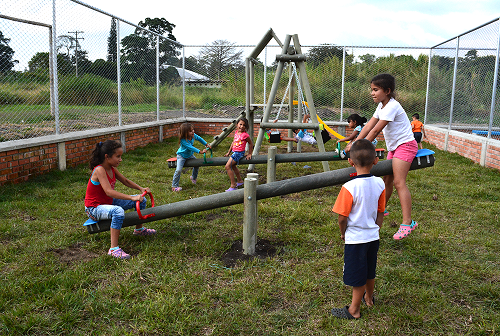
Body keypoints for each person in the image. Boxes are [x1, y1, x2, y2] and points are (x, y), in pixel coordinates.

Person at [344, 73, 418, 240]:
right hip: (394, 147)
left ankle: (407, 222)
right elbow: (369, 125)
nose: (372, 93)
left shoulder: (392, 106)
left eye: (376, 90)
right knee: (386, 181)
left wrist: (357, 147)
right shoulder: (382, 106)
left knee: (399, 182)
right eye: (372, 89)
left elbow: (376, 131)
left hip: (405, 145)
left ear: (387, 91)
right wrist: (356, 141)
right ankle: (382, 208)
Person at [331, 139, 385, 320]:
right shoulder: (380, 183)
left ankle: (354, 309)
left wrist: (342, 232)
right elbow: (380, 212)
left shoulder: (349, 187)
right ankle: (369, 297)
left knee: (358, 273)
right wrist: (376, 229)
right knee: (370, 269)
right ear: (375, 160)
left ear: (350, 162)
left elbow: (342, 217)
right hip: (373, 236)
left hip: (355, 239)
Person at [84, 140, 156, 260]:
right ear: (107, 157)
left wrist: (140, 188)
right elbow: (109, 192)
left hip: (108, 202)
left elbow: (125, 181)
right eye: (118, 156)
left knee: (141, 201)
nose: (120, 159)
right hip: (94, 208)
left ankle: (139, 229)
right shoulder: (99, 170)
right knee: (118, 211)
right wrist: (131, 197)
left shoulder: (111, 168)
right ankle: (113, 249)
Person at [172, 123, 211, 192]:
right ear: (185, 133)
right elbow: (190, 147)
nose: (193, 132)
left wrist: (206, 144)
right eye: (190, 131)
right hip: (182, 156)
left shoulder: (193, 136)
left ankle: (193, 177)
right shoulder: (183, 140)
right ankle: (174, 186)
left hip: (189, 155)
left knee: (197, 164)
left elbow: (199, 138)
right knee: (178, 170)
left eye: (193, 130)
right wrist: (200, 151)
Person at [224, 117, 254, 191]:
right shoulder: (236, 132)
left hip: (239, 153)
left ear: (246, 127)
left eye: (244, 125)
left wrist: (250, 153)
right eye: (240, 124)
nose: (242, 126)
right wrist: (229, 152)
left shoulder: (245, 135)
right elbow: (233, 142)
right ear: (237, 125)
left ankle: (233, 185)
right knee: (233, 166)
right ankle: (240, 181)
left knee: (227, 167)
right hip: (235, 152)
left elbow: (251, 144)